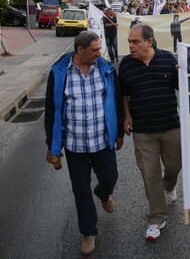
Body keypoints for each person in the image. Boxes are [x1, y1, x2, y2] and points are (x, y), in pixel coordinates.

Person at [44, 31, 124, 256]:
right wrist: (52, 145)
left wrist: (119, 134)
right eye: (95, 50)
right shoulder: (60, 72)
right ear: (80, 50)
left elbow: (116, 101)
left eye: (100, 49)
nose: (99, 53)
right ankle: (89, 232)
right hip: (74, 144)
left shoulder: (105, 70)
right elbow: (51, 110)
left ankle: (104, 193)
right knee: (80, 190)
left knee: (110, 178)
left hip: (102, 140)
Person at [119, 24, 181, 240]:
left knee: (174, 166)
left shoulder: (168, 59)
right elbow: (124, 94)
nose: (131, 46)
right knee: (150, 173)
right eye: (129, 42)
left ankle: (169, 186)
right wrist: (126, 115)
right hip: (143, 131)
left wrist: (185, 72)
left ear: (150, 42)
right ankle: (156, 218)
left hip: (171, 126)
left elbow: (183, 87)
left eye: (135, 42)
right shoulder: (126, 64)